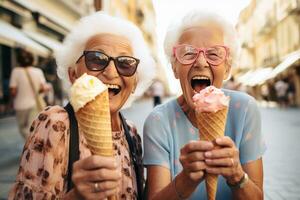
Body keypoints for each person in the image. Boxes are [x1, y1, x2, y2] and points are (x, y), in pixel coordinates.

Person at [9, 11, 155, 200]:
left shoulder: (132, 133)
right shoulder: (56, 123)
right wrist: (76, 196)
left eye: (125, 64)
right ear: (73, 75)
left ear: (135, 82)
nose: (111, 72)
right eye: (96, 59)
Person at [143, 10, 266, 200]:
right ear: (175, 68)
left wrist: (237, 176)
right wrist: (186, 180)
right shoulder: (159, 121)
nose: (201, 62)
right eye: (188, 53)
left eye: (214, 54)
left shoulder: (245, 109)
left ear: (227, 68)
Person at [9, 48, 48, 139]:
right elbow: (43, 88)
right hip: (34, 104)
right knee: (33, 128)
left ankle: (31, 147)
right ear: (32, 60)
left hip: (20, 105)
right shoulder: (38, 71)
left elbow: (13, 91)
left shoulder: (16, 71)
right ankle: (34, 146)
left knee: (23, 129)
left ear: (19, 60)